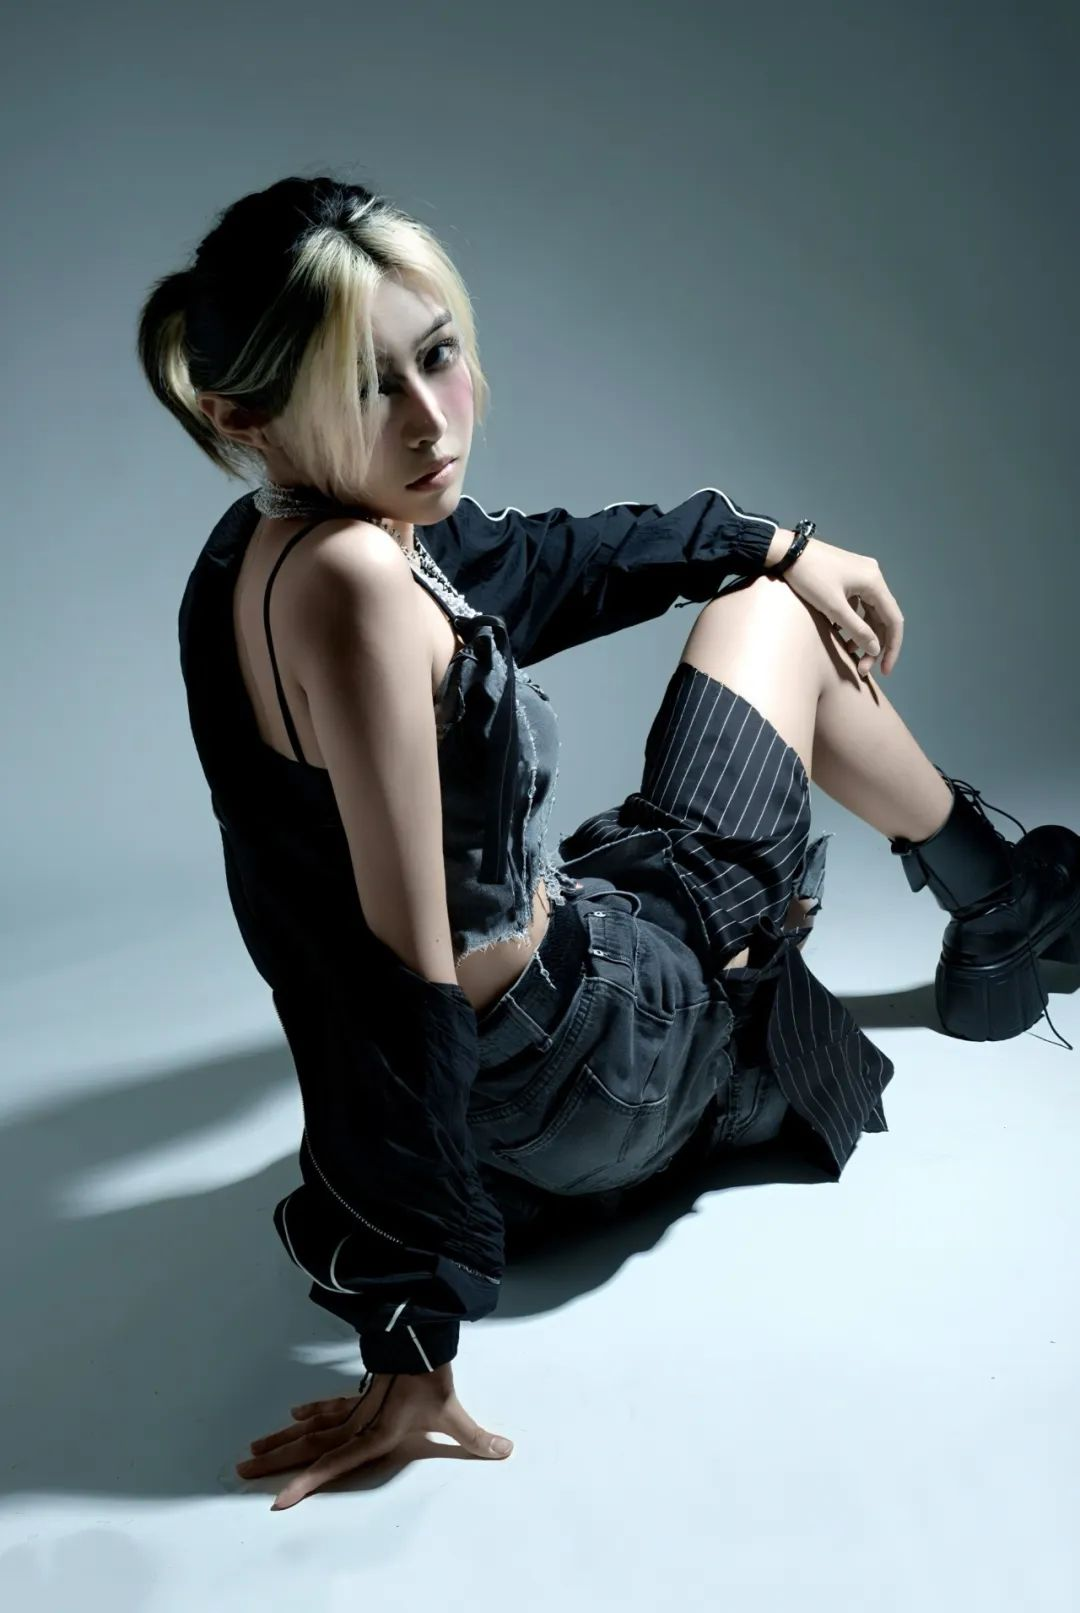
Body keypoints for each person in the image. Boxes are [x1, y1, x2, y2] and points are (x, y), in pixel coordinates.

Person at [137, 174, 1080, 1509]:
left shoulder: (261, 554)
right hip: (596, 1066)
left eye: (438, 355)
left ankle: (960, 912)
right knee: (768, 621)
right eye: (365, 387)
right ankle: (995, 907)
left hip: (516, 1088)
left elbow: (542, 565)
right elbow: (397, 979)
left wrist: (771, 537)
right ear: (245, 415)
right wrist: (410, 1343)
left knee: (747, 609)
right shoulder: (358, 586)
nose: (430, 420)